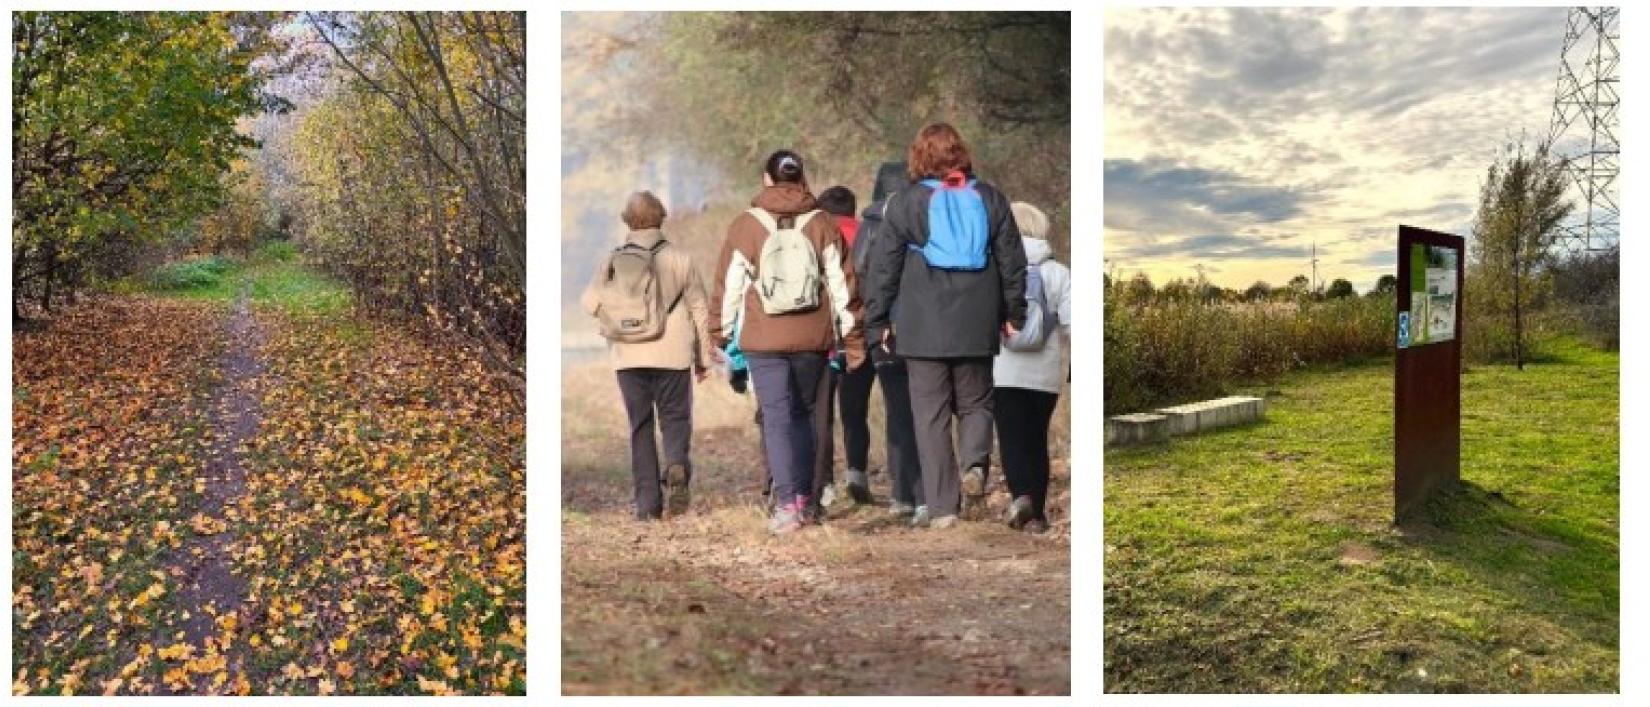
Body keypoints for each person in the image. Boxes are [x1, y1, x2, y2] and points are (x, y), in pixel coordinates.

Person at [864, 124, 1027, 529]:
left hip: (922, 324)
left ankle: (942, 509)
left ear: (919, 158)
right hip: (976, 318)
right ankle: (974, 466)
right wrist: (1014, 312)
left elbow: (884, 267)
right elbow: (1012, 261)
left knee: (930, 415)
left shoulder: (905, 202)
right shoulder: (990, 198)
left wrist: (878, 319)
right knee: (976, 402)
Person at [711, 150, 866, 534]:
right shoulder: (823, 222)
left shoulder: (747, 224)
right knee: (807, 416)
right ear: (801, 179)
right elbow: (843, 285)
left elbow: (729, 283)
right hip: (813, 336)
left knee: (778, 418)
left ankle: (786, 505)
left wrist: (720, 331)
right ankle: (808, 500)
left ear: (767, 179)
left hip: (763, 338)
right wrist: (854, 338)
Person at [581, 191, 713, 520]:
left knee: (640, 426)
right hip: (673, 353)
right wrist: (703, 357)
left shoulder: (613, 259)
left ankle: (647, 505)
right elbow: (699, 310)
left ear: (628, 220)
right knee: (675, 419)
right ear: (661, 217)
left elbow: (589, 302)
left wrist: (616, 314)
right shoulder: (680, 259)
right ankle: (677, 463)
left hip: (628, 355)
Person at [843, 165, 925, 515]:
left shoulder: (870, 226)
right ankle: (926, 494)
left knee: (897, 411)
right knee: (925, 409)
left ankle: (902, 494)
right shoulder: (924, 217)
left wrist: (872, 321)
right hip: (924, 326)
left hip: (884, 330)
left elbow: (859, 273)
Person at [992, 202, 1071, 534]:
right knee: (1037, 438)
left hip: (1004, 369)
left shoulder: (994, 268)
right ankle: (1037, 515)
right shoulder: (1060, 273)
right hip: (1045, 372)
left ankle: (1021, 495)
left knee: (1011, 437)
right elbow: (1074, 324)